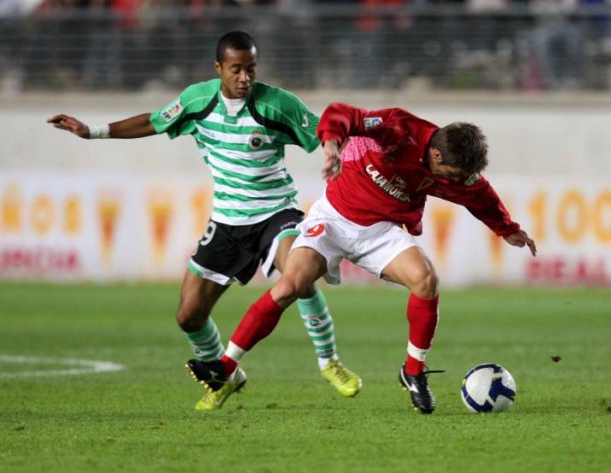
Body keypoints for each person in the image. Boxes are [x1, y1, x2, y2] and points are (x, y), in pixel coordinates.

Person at [46, 31, 361, 410]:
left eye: (251, 68)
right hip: (227, 222)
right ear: (218, 68)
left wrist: (333, 149)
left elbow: (324, 131)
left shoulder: (277, 104)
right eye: (236, 69)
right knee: (189, 315)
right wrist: (91, 132)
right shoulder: (197, 101)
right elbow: (153, 122)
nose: (245, 77)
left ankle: (329, 362)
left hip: (276, 212)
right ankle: (225, 377)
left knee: (299, 274)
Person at [186, 101, 537, 414]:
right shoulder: (398, 129)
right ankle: (226, 367)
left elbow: (480, 195)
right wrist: (331, 143)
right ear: (436, 155)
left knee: (426, 280)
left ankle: (413, 371)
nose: (459, 182)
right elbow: (342, 113)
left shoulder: (459, 172)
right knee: (290, 285)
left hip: (380, 231)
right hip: (332, 219)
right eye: (455, 175)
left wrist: (507, 229)